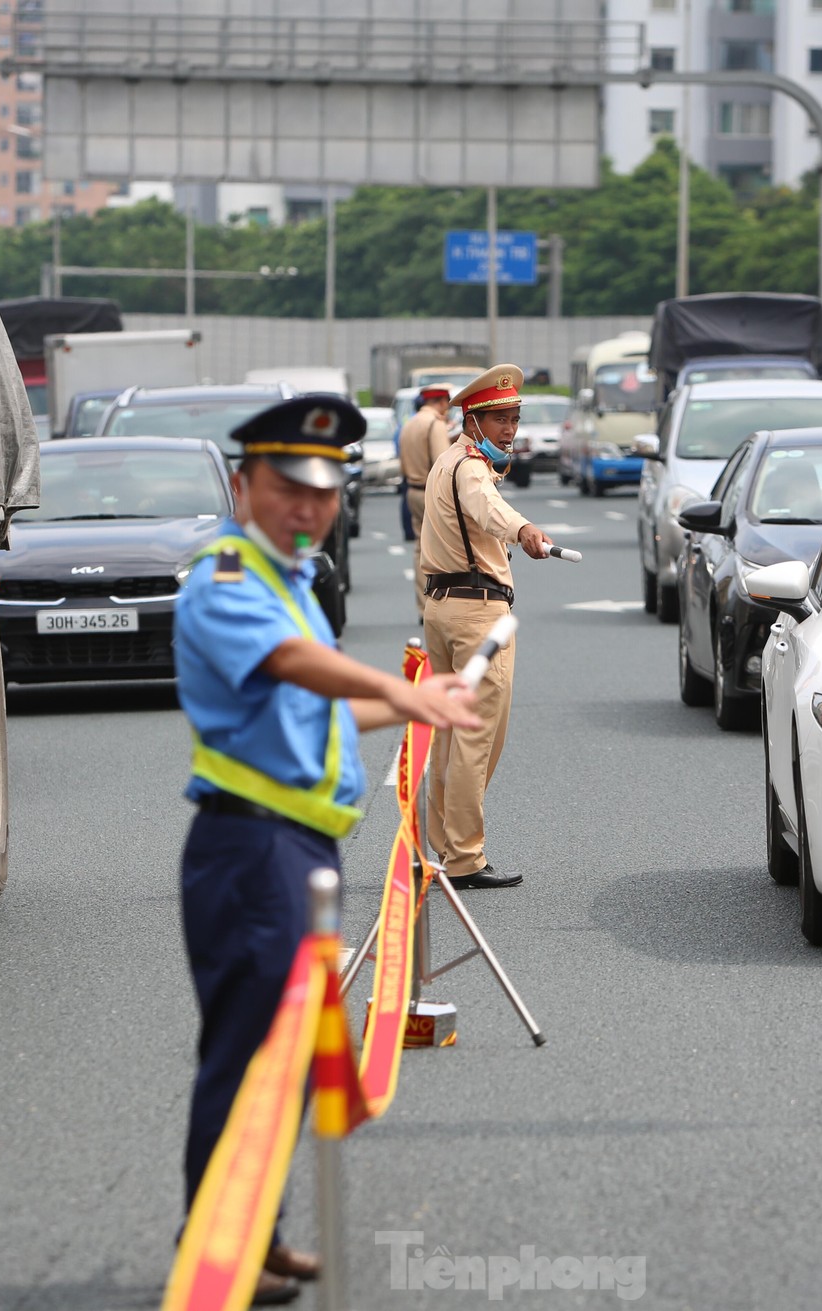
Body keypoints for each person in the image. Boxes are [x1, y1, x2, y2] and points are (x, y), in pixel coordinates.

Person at [171, 395, 480, 1305]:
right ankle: (216, 1244)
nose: (307, 505)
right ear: (243, 485)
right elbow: (291, 669)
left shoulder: (292, 581)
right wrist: (405, 688)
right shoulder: (228, 576)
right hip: (248, 847)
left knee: (290, 1053)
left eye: (323, 489)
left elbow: (335, 707)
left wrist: (430, 700)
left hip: (299, 849)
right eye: (286, 486)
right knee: (246, 1051)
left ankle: (252, 1235)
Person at [417, 365, 553, 891]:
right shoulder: (471, 469)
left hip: (442, 608)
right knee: (476, 738)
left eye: (515, 418)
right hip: (478, 614)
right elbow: (489, 507)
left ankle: (445, 847)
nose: (510, 429)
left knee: (449, 737)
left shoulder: (447, 461)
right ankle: (466, 859)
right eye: (499, 418)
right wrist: (523, 530)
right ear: (472, 420)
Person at [396, 386, 456, 615]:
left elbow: (402, 463)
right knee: (443, 549)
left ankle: (424, 607)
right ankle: (440, 605)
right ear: (441, 402)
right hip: (431, 492)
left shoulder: (409, 424)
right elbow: (444, 466)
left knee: (420, 549)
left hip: (411, 489)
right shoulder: (435, 424)